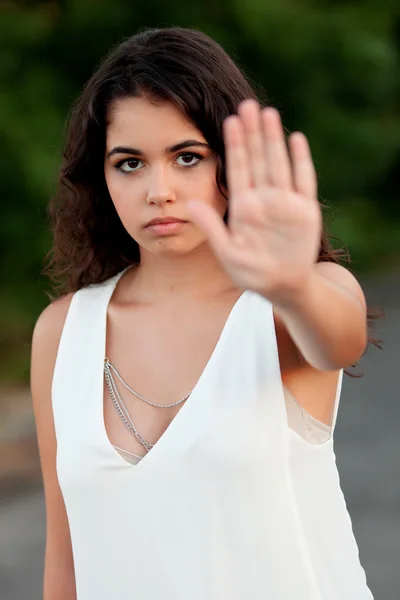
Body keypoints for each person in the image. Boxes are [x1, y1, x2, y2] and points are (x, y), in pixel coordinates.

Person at [31, 26, 376, 599]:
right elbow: (65, 560)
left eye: (187, 157)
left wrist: (291, 286)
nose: (159, 190)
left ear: (232, 162)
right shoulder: (64, 331)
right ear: (102, 176)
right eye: (130, 163)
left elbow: (339, 342)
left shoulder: (290, 304)